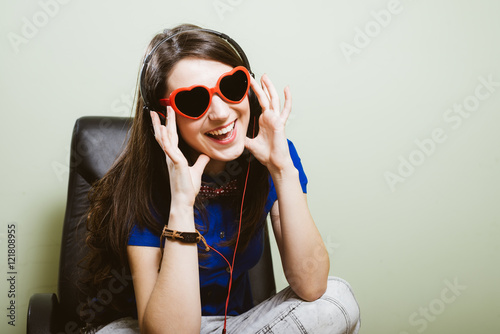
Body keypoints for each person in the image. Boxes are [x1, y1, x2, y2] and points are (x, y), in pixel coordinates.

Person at [81, 24, 360, 334]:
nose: (221, 113)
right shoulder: (140, 183)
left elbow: (311, 284)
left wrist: (281, 169)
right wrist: (182, 204)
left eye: (231, 86)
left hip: (240, 325)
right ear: (162, 117)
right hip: (157, 326)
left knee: (336, 299)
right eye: (193, 101)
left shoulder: (273, 158)